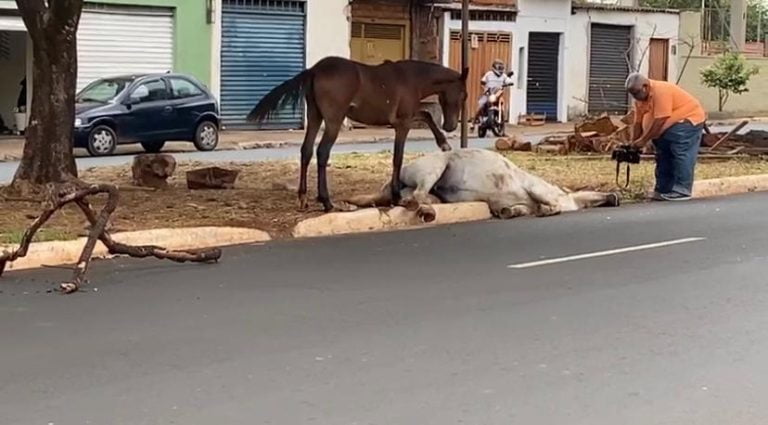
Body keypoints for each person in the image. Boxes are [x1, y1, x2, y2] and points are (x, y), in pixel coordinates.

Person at [625, 72, 706, 202]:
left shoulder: (661, 91)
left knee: (680, 152)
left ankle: (682, 190)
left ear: (645, 86)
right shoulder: (640, 100)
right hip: (668, 126)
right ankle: (663, 189)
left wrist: (643, 140)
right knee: (663, 153)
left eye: (636, 93)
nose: (635, 97)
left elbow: (660, 120)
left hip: (687, 120)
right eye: (632, 94)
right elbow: (638, 122)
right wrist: (633, 142)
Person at [472, 59, 514, 126]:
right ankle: (474, 122)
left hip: (498, 94)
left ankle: (501, 118)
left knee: (502, 102)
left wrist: (510, 82)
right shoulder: (489, 74)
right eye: (499, 67)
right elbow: (483, 81)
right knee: (481, 105)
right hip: (488, 93)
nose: (500, 69)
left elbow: (508, 80)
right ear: (494, 67)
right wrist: (484, 86)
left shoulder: (503, 76)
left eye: (501, 67)